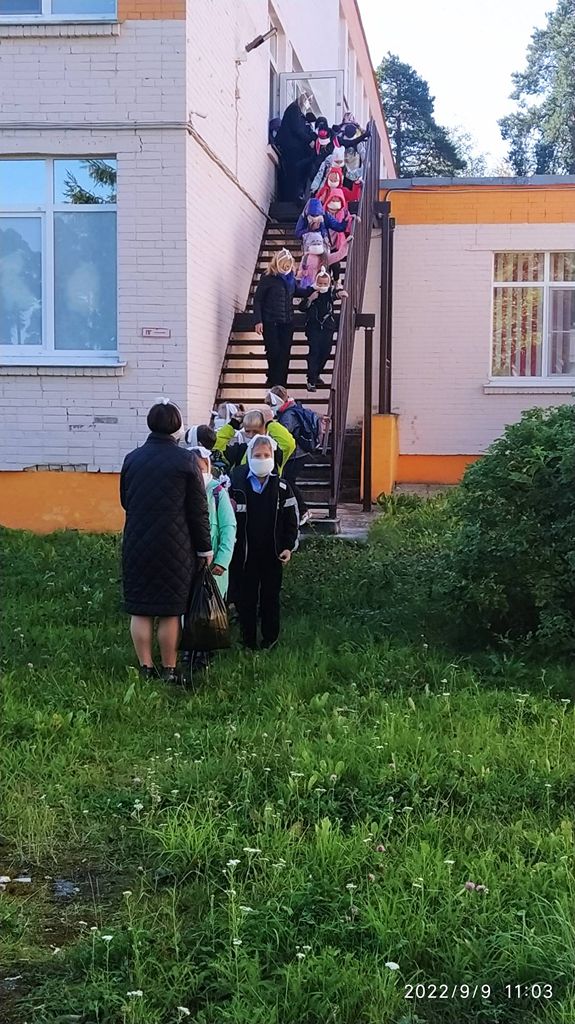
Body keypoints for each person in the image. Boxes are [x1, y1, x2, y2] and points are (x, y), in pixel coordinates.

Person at [120, 399, 213, 684]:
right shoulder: (186, 461)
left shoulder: (132, 459)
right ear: (177, 426)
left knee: (141, 608)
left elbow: (125, 500)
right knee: (170, 611)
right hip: (175, 546)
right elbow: (198, 510)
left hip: (137, 542)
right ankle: (169, 669)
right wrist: (205, 548)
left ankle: (145, 667)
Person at [230, 434, 299, 650]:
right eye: (257, 455)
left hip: (273, 553)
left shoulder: (282, 488)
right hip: (244, 553)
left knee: (270, 598)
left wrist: (288, 546)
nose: (262, 459)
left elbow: (291, 520)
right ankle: (247, 641)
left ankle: (270, 639)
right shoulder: (236, 484)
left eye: (266, 455)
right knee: (246, 598)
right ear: (249, 456)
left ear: (273, 456)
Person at [181, 444, 237, 677]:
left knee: (209, 605)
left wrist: (222, 560)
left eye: (201, 468)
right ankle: (187, 648)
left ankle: (205, 649)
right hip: (186, 562)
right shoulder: (181, 490)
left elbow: (228, 528)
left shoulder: (217, 492)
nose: (197, 473)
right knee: (187, 606)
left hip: (213, 567)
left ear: (208, 467)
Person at [266, 386, 323, 525]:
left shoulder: (288, 415)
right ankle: (296, 509)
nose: (270, 407)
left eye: (271, 404)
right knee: (287, 480)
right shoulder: (293, 409)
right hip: (300, 453)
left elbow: (284, 434)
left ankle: (303, 510)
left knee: (288, 480)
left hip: (296, 454)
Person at [253, 249, 308, 388]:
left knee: (285, 354)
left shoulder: (291, 279)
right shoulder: (268, 278)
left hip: (287, 322)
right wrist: (258, 320)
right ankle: (273, 380)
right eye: (283, 264)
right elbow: (258, 300)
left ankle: (282, 385)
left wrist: (314, 288)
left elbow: (298, 291)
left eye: (288, 264)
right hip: (270, 321)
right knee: (273, 351)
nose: (286, 267)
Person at [299, 267, 348, 391]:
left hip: (327, 327)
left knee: (326, 352)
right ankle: (311, 380)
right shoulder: (311, 291)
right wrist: (310, 299)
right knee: (314, 352)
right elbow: (302, 307)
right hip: (313, 327)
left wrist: (340, 294)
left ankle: (316, 374)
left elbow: (334, 295)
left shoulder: (329, 292)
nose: (322, 286)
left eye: (325, 284)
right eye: (320, 283)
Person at [215, 407, 296, 476]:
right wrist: (232, 425)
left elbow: (288, 444)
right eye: (247, 431)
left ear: (265, 430)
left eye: (256, 431)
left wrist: (270, 423)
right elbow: (216, 447)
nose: (251, 435)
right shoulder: (239, 450)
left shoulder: (274, 451)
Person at [275, 92, 316, 202]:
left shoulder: (298, 111)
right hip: (290, 147)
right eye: (308, 101)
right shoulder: (294, 110)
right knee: (293, 172)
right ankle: (293, 197)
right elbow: (297, 129)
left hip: (293, 147)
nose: (308, 104)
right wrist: (309, 140)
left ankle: (297, 195)